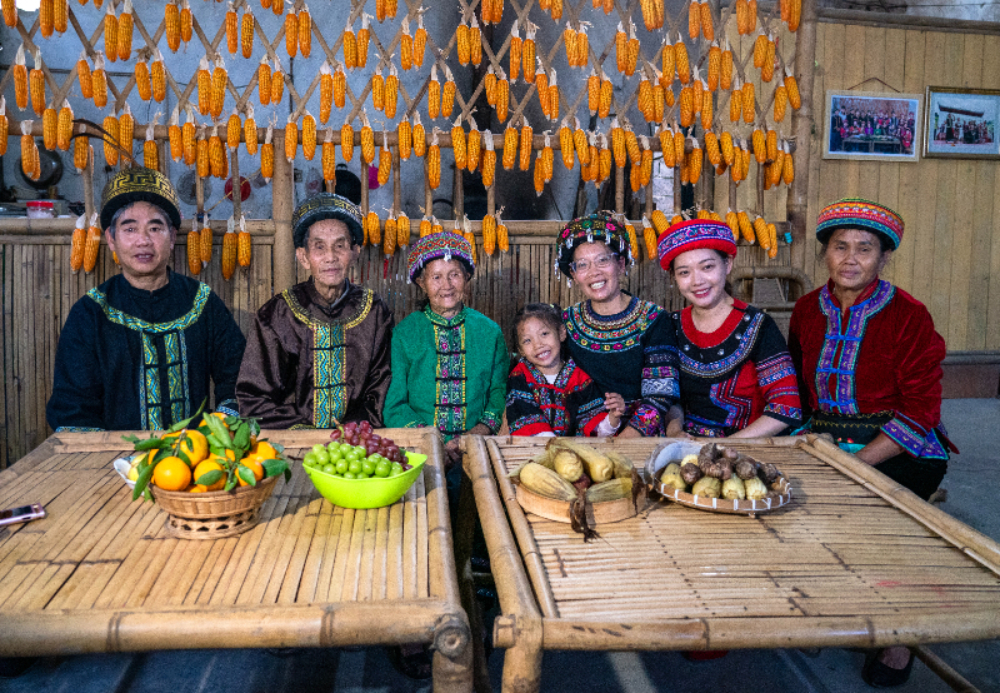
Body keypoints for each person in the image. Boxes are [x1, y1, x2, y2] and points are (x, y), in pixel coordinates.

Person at [788, 198, 957, 688]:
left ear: (884, 258)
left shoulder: (908, 316)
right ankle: (833, 607)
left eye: (865, 249)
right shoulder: (807, 309)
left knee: (886, 530)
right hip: (824, 437)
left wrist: (859, 463)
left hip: (899, 445)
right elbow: (798, 388)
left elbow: (921, 411)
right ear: (825, 253)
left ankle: (900, 631)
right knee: (785, 506)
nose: (850, 258)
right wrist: (808, 442)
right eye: (840, 246)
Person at [47, 168, 245, 432]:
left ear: (172, 237)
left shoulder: (202, 303)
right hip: (115, 455)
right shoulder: (90, 313)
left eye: (155, 228)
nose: (143, 241)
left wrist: (220, 429)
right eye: (130, 229)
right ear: (111, 239)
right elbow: (72, 407)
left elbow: (239, 380)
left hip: (194, 451)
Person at [236, 193, 393, 429]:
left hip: (357, 442)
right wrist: (304, 433)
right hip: (291, 438)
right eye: (319, 247)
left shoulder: (374, 311)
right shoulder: (277, 314)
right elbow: (254, 399)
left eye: (340, 246)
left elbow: (380, 391)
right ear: (303, 257)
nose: (330, 257)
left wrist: (351, 434)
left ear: (355, 252)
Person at [655, 219, 802, 438]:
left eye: (707, 267)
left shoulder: (759, 326)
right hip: (687, 448)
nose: (696, 281)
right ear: (674, 278)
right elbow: (668, 395)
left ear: (728, 264)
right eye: (684, 272)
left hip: (749, 447)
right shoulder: (670, 325)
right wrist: (675, 430)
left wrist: (728, 447)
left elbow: (786, 407)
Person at [384, 231, 507, 465]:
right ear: (421, 283)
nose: (447, 285)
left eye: (454, 275)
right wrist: (431, 441)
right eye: (436, 277)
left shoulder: (489, 332)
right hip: (418, 452)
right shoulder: (404, 334)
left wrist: (475, 434)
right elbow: (394, 404)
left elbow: (498, 392)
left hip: (477, 449)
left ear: (467, 277)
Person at [557, 211, 676, 437]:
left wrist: (625, 440)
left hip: (641, 438)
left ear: (620, 264)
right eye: (582, 265)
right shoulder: (566, 323)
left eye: (603, 260)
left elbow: (660, 395)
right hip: (584, 438)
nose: (594, 272)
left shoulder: (653, 320)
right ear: (573, 274)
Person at [506, 302, 624, 437]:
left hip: (572, 450)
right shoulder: (519, 378)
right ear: (521, 349)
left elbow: (593, 427)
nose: (538, 345)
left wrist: (612, 419)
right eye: (527, 340)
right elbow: (525, 422)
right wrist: (554, 446)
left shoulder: (580, 380)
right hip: (534, 449)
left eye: (544, 333)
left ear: (561, 333)